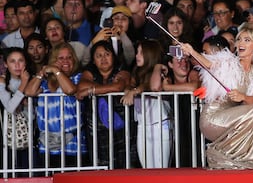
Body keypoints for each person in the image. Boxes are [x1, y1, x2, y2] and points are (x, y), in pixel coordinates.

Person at [181, 22, 253, 168]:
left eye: (247, 40)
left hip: (236, 119)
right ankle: (245, 159)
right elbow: (209, 64)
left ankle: (246, 160)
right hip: (214, 118)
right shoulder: (227, 61)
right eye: (239, 39)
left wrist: (243, 97)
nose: (241, 43)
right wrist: (192, 51)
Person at [24, 43, 87, 168]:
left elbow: (70, 90)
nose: (66, 61)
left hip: (73, 145)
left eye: (69, 57)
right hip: (47, 145)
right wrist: (42, 72)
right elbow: (28, 92)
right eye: (61, 58)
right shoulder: (44, 83)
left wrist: (57, 71)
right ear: (53, 61)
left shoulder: (78, 78)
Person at [76, 40, 132, 168]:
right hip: (97, 130)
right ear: (94, 60)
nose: (103, 58)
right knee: (99, 167)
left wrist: (91, 91)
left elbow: (119, 86)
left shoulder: (121, 69)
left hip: (122, 129)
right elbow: (81, 85)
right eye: (98, 55)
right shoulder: (89, 71)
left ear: (113, 56)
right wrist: (108, 88)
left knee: (124, 166)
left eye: (107, 54)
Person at [121, 39, 173, 168]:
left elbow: (154, 86)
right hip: (143, 126)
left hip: (160, 124)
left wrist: (156, 67)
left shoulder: (160, 71)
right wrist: (131, 91)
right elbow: (129, 87)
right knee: (147, 168)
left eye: (141, 53)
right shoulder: (137, 73)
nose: (137, 56)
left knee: (161, 168)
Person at [0, 47, 31, 170]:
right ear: (6, 64)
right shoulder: (2, 81)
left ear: (26, 62)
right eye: (12, 61)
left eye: (20, 60)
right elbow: (10, 107)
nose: (17, 65)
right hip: (10, 137)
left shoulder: (32, 79)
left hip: (31, 133)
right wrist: (24, 83)